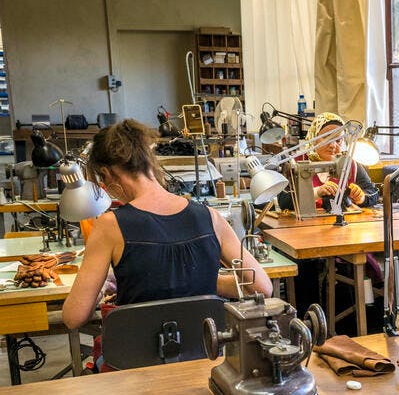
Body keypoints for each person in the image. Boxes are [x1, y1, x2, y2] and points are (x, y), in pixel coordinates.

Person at [62, 119, 272, 331]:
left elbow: (74, 317)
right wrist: (201, 280)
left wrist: (100, 289)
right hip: (207, 354)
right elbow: (262, 287)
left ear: (106, 174)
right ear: (149, 162)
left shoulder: (109, 226)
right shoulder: (211, 217)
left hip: (138, 360)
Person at [278, 111, 379, 212]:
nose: (333, 145)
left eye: (338, 140)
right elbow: (284, 201)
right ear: (314, 137)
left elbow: (373, 193)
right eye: (327, 137)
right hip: (304, 225)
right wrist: (317, 192)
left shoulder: (350, 164)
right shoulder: (295, 163)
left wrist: (362, 197)